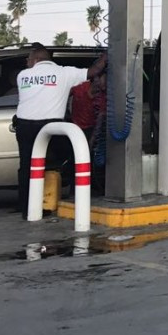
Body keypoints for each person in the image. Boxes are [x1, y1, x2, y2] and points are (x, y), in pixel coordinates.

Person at [14, 46, 107, 218]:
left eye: (28, 59)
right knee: (75, 155)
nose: (26, 62)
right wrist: (107, 55)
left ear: (35, 60)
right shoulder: (64, 73)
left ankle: (26, 209)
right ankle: (73, 193)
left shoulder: (22, 76)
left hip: (25, 125)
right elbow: (95, 70)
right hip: (51, 128)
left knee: (26, 166)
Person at [69, 73, 107, 194]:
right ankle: (73, 189)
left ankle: (87, 188)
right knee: (73, 159)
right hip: (74, 127)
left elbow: (100, 120)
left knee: (87, 158)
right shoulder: (79, 87)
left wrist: (92, 139)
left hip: (90, 129)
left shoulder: (103, 97)